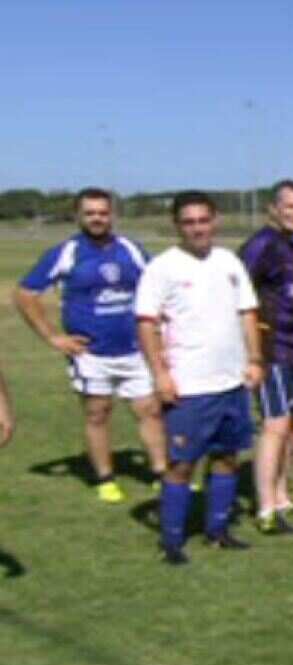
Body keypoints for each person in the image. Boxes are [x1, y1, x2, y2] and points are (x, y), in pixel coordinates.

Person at [13, 187, 167, 503]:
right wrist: (52, 336)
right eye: (90, 213)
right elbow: (26, 294)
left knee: (149, 411)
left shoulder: (131, 250)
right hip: (90, 353)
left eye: (103, 212)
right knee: (98, 413)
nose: (97, 219)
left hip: (134, 349)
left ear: (112, 214)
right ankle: (105, 478)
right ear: (79, 216)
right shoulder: (66, 253)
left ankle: (161, 473)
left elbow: (157, 286)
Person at [136, 191, 263, 565]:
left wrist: (254, 359)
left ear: (215, 221)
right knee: (181, 464)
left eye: (203, 221)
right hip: (189, 387)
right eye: (189, 222)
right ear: (177, 225)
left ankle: (218, 530)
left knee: (227, 458)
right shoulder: (162, 268)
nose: (197, 229)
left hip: (232, 381)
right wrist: (160, 373)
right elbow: (147, 324)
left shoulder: (229, 262)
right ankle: (172, 540)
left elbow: (247, 313)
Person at [239, 180, 293, 535]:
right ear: (273, 208)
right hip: (270, 352)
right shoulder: (261, 246)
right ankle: (266, 509)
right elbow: (238, 296)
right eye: (290, 207)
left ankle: (282, 496)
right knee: (275, 425)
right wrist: (253, 350)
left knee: (288, 426)